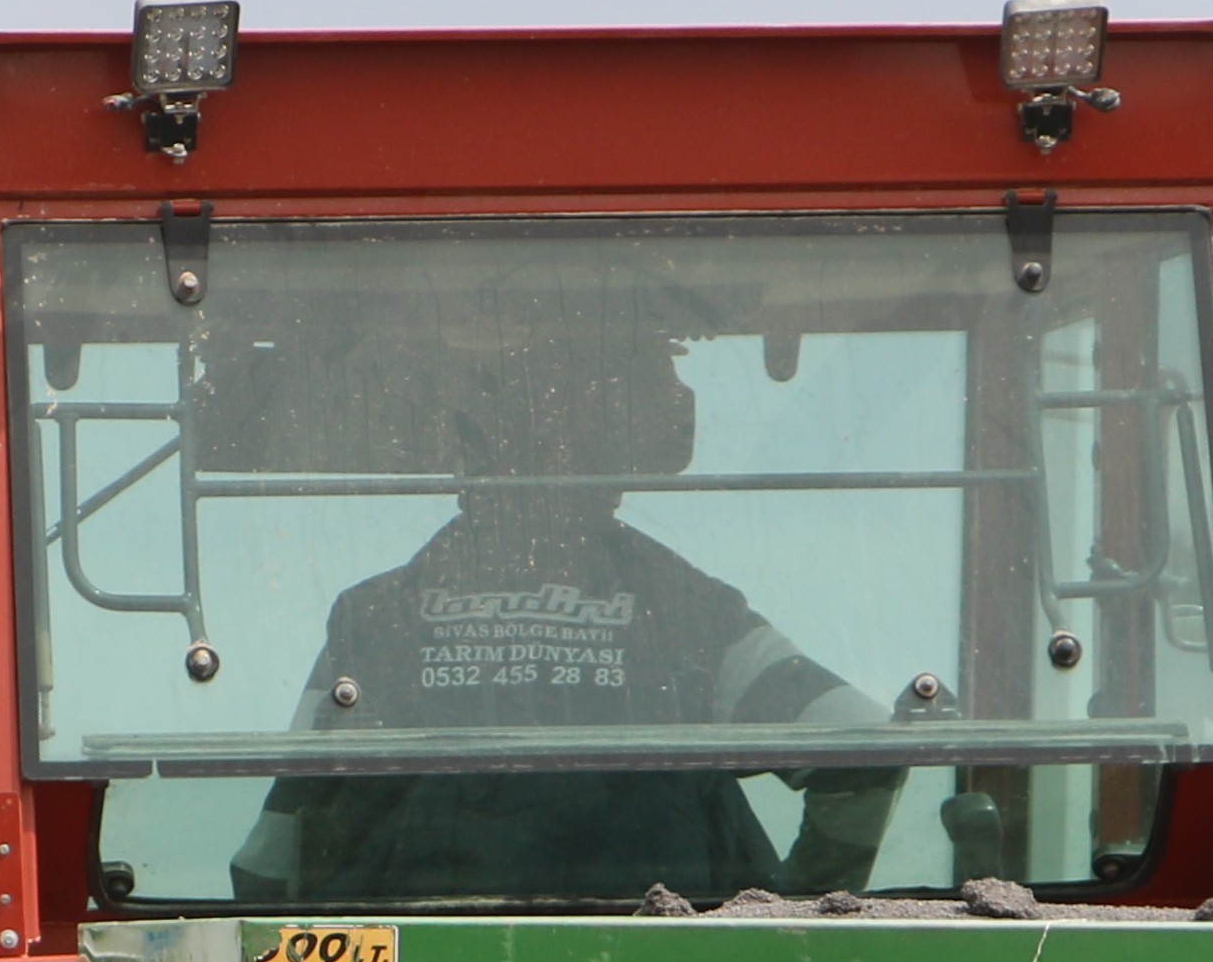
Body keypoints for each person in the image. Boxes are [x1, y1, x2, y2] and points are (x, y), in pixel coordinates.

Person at [227, 333, 911, 906]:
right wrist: (793, 916)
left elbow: (273, 853)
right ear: (609, 448)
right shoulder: (690, 610)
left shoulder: (373, 616)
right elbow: (866, 751)